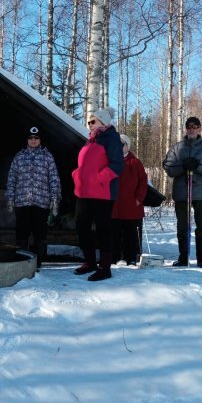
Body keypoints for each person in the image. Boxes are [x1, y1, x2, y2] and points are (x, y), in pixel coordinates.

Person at [72, 107, 124, 281]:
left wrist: (98, 178)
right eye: (88, 122)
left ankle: (105, 267)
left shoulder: (111, 138)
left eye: (92, 121)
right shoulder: (92, 140)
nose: (89, 124)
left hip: (102, 193)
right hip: (84, 192)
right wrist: (77, 175)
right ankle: (90, 262)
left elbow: (117, 165)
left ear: (103, 122)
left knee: (103, 229)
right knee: (82, 227)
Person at [162, 116, 202, 268]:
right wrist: (183, 166)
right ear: (186, 128)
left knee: (201, 225)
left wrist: (198, 164)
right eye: (189, 126)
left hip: (201, 194)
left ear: (200, 128)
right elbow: (168, 166)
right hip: (182, 193)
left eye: (195, 126)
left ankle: (201, 258)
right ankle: (183, 258)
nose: (192, 129)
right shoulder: (177, 148)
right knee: (182, 225)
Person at [5, 126, 62, 268]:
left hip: (41, 202)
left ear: (40, 140)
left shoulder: (47, 157)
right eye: (31, 138)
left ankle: (37, 264)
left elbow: (54, 179)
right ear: (27, 140)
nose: (33, 140)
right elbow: (12, 178)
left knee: (39, 234)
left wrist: (55, 199)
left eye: (36, 138)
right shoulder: (19, 156)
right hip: (22, 202)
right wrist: (10, 197)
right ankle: (22, 264)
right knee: (22, 234)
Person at [111, 134, 148, 266]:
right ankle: (116, 257)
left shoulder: (135, 163)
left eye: (123, 144)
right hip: (115, 205)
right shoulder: (111, 161)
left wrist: (139, 198)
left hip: (131, 205)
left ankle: (131, 257)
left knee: (131, 233)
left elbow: (143, 182)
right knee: (116, 233)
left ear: (128, 146)